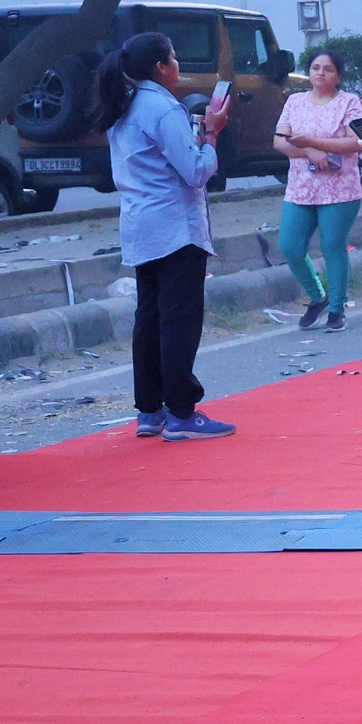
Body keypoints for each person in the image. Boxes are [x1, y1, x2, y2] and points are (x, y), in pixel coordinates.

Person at [100, 33, 236, 441]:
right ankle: (181, 410)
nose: (178, 65)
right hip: (175, 225)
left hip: (140, 223)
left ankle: (150, 409)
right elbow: (195, 171)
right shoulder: (162, 107)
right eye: (174, 58)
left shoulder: (123, 104)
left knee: (150, 317)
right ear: (161, 67)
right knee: (179, 318)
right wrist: (211, 135)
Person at [272, 49, 362, 332]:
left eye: (328, 69)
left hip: (340, 189)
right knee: (290, 246)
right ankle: (318, 297)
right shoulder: (294, 101)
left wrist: (314, 142)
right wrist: (309, 151)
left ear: (338, 76)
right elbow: (280, 141)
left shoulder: (349, 102)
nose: (320, 73)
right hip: (301, 187)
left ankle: (337, 308)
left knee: (332, 246)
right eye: (315, 67)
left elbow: (356, 142)